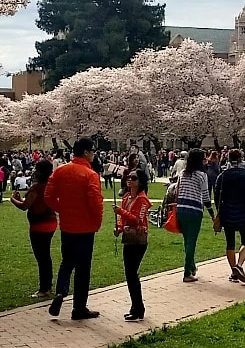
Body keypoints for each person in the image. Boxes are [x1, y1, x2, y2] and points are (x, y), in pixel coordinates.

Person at [45, 138, 104, 320]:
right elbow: (95, 202)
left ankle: (61, 291)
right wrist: (97, 222)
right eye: (92, 151)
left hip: (68, 226)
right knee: (83, 269)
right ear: (86, 152)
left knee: (67, 261)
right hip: (85, 228)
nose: (94, 154)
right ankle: (79, 307)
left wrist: (61, 209)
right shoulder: (90, 174)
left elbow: (48, 196)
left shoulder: (61, 171)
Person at [11, 160, 58, 297]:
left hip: (39, 225)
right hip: (51, 222)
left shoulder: (37, 188)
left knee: (41, 257)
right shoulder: (51, 186)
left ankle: (44, 288)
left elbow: (25, 206)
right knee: (46, 256)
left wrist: (13, 200)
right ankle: (48, 286)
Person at [113, 168, 151, 321]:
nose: (130, 180)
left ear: (140, 182)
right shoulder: (127, 197)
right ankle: (136, 306)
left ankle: (138, 307)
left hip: (138, 240)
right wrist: (120, 228)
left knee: (132, 274)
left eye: (133, 178)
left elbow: (138, 219)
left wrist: (121, 212)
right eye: (128, 177)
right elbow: (125, 220)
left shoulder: (143, 200)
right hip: (128, 238)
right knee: (129, 274)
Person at [216, 149, 245, 283]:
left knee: (230, 243)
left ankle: (234, 271)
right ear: (241, 159)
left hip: (227, 212)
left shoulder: (223, 176)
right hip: (244, 211)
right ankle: (239, 265)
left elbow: (217, 195)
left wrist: (220, 210)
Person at [175, 149, 215, 283]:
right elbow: (205, 196)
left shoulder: (183, 173)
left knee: (187, 240)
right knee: (191, 241)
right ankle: (187, 272)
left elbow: (177, 190)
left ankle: (192, 267)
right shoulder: (202, 175)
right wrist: (211, 213)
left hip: (181, 209)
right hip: (194, 210)